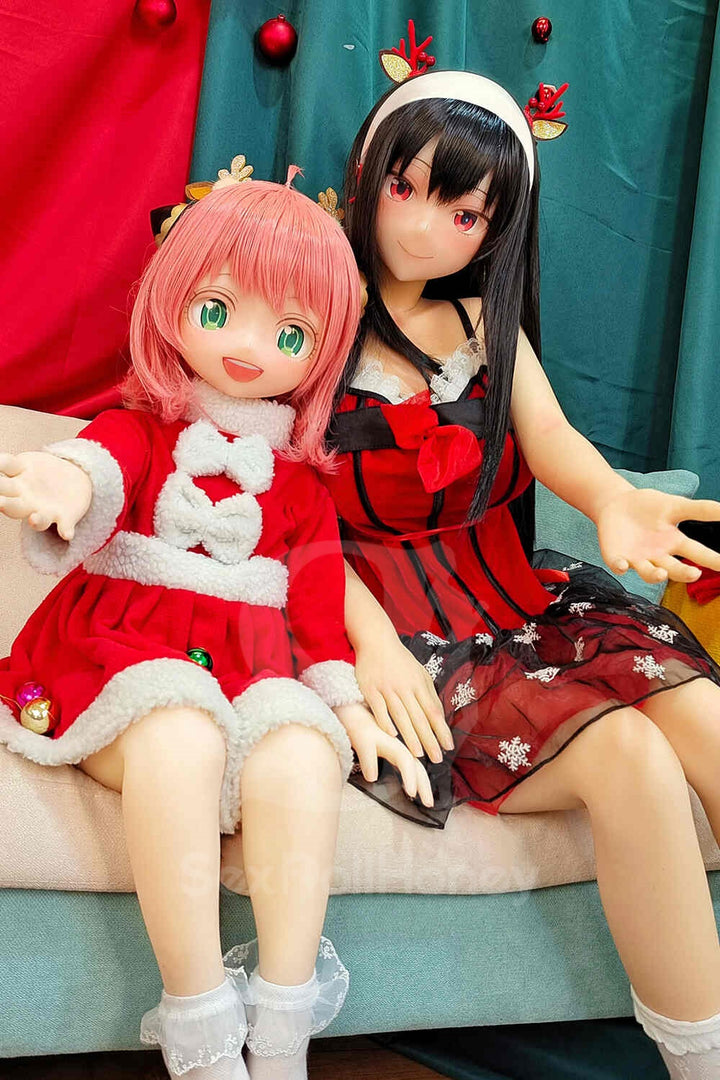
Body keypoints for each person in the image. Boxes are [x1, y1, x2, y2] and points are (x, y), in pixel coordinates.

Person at [322, 69, 720, 1078]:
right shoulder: (305, 321)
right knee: (630, 759)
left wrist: (613, 498)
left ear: (495, 231)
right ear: (367, 175)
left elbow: (552, 439)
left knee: (711, 726)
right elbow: (281, 516)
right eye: (405, 189)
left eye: (463, 213)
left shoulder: (481, 327)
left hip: (525, 604)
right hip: (393, 635)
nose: (423, 230)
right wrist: (368, 649)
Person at [0, 172, 432, 1080]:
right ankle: (197, 1029)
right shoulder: (142, 429)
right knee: (179, 728)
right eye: (219, 309)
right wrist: (60, 483)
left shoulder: (303, 487)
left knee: (303, 752)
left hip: (250, 674)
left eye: (289, 334)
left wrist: (349, 708)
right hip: (111, 655)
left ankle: (281, 1035)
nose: (247, 347)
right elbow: (96, 464)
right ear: (174, 299)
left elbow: (318, 613)